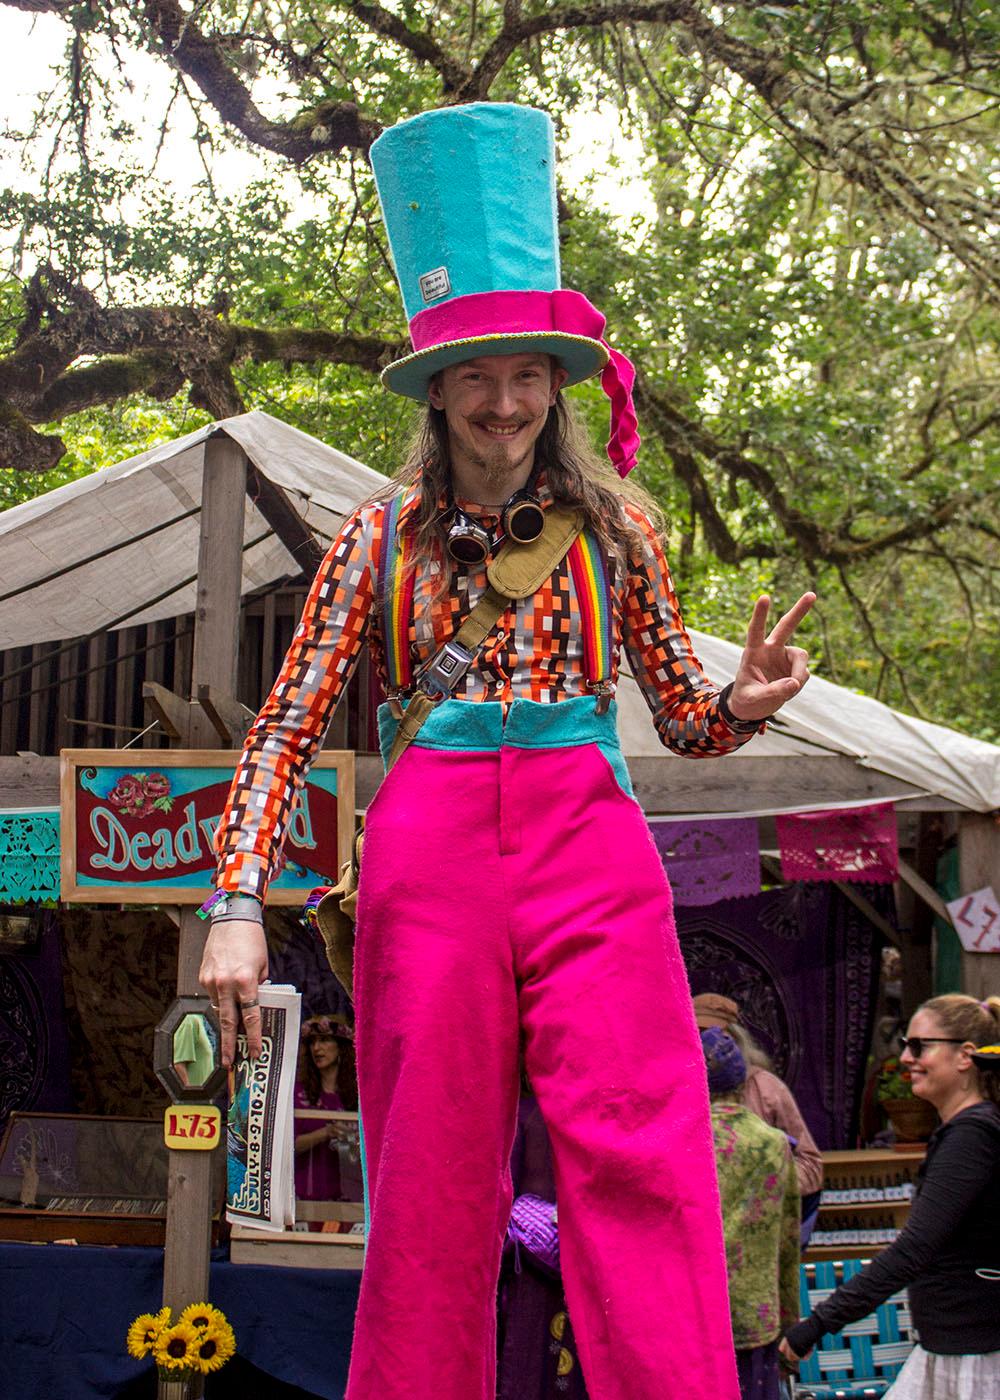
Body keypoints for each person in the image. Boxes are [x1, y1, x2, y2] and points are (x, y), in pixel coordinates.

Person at [199, 102, 816, 1400]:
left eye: (526, 372)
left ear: (558, 383)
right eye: (475, 376)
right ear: (438, 394)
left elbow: (687, 727)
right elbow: (283, 729)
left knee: (646, 1151)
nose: (504, 400)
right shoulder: (376, 543)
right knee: (430, 1181)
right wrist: (237, 903)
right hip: (429, 852)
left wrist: (746, 704)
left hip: (590, 836)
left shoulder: (623, 535)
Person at [780, 994, 1000, 1399]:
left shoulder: (972, 1135)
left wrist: (815, 1326)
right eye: (905, 1044)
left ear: (965, 1056)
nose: (906, 1058)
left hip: (973, 1351)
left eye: (920, 1046)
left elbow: (914, 1249)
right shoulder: (970, 1131)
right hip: (956, 1341)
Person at [703, 1027, 800, 1400]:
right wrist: (790, 1320)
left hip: (698, 1314)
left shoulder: (683, 1140)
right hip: (756, 1315)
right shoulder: (772, 1144)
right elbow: (788, 1241)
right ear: (743, 1083)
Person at [694, 992, 824, 1201]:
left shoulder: (766, 1088)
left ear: (735, 1039)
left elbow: (810, 1165)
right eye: (699, 1034)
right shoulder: (676, 1093)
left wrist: (765, 1187)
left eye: (715, 1034)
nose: (706, 1045)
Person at [294, 1015, 358, 1211]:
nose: (316, 1048)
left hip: (351, 1203)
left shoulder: (360, 1097)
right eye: (312, 1041)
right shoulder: (298, 1094)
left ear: (341, 1046)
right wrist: (326, 1132)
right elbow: (287, 1147)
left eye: (324, 1040)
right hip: (304, 1199)